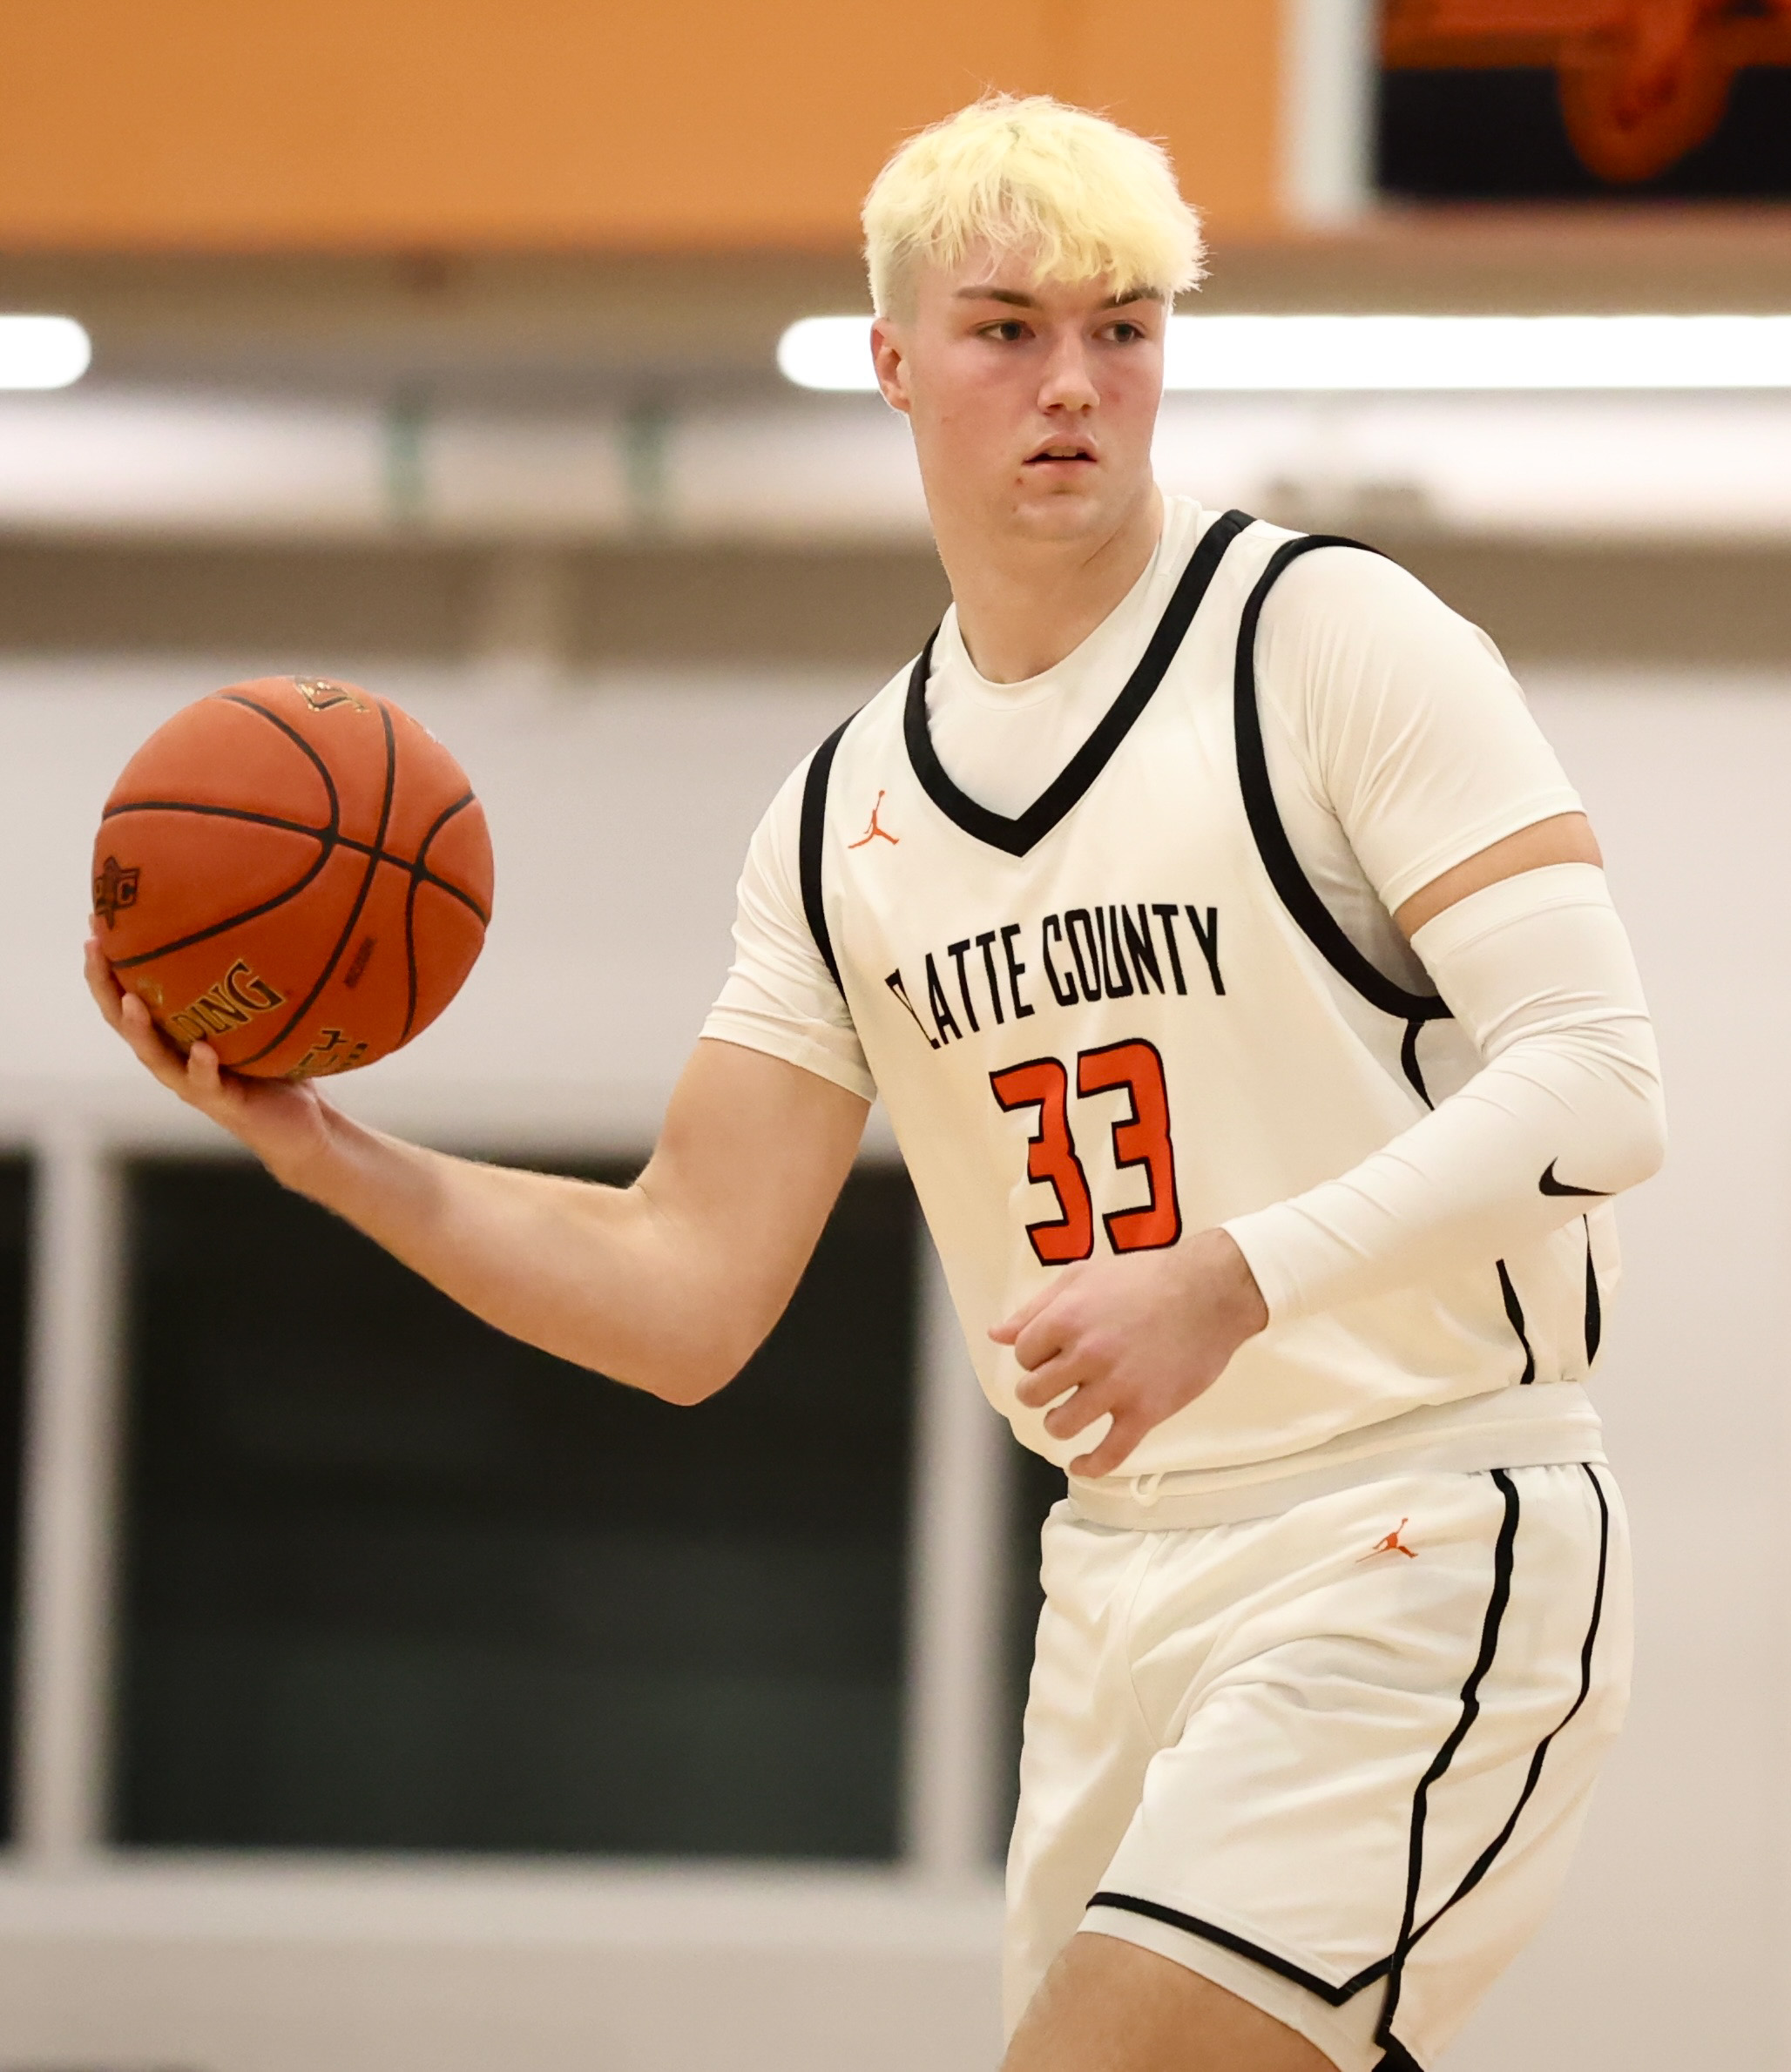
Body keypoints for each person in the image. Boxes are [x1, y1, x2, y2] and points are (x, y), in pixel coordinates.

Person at [87, 95, 1666, 2072]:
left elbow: (1599, 1082)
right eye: (1006, 329)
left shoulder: (1323, 638)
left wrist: (1231, 1278)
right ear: (895, 359)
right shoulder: (843, 814)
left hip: (1415, 1520)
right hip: (1116, 1575)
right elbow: (683, 1290)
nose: (1072, 382)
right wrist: (326, 1152)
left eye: (1121, 327)